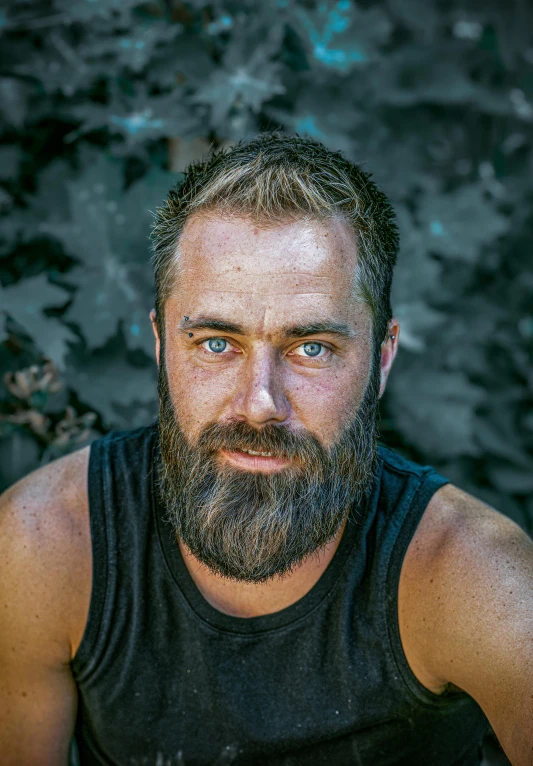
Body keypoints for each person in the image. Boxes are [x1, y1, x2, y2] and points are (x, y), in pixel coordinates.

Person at [1, 133, 532, 766]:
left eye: (311, 348)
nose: (259, 403)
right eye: (216, 343)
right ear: (160, 343)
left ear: (382, 359)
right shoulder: (47, 545)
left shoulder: (476, 583)